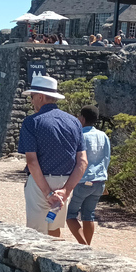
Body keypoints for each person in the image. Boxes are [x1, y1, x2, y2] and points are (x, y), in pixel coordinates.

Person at [18, 75, 88, 237]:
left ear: (40, 97)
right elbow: (82, 162)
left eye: (32, 96)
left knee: (36, 232)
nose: (31, 101)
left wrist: (48, 192)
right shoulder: (74, 122)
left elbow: (32, 162)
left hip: (40, 182)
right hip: (65, 181)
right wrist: (65, 190)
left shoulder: (31, 122)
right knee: (53, 228)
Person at [66, 105, 111, 246]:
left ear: (82, 118)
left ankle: (84, 246)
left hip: (83, 181)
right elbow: (107, 158)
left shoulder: (80, 136)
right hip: (99, 181)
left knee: (70, 215)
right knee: (89, 215)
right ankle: (88, 245)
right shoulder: (103, 136)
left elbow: (73, 159)